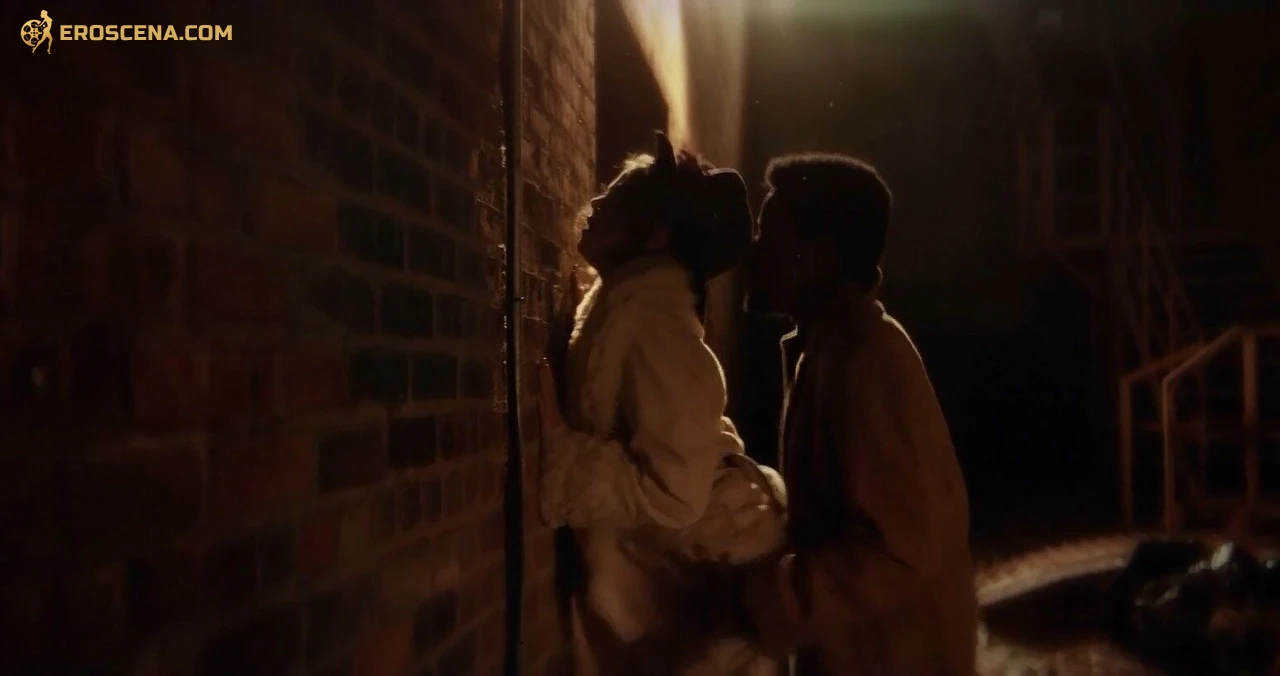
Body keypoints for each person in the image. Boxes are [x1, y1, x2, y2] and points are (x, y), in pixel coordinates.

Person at [535, 131, 788, 676]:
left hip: (700, 587)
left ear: (655, 234)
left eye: (618, 197)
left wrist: (562, 448)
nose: (596, 202)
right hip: (683, 581)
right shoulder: (628, 303)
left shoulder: (655, 318)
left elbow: (677, 496)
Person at [740, 153, 977, 675]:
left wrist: (761, 599)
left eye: (770, 236)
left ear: (820, 257)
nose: (753, 253)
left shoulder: (867, 360)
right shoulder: (834, 350)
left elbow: (899, 551)